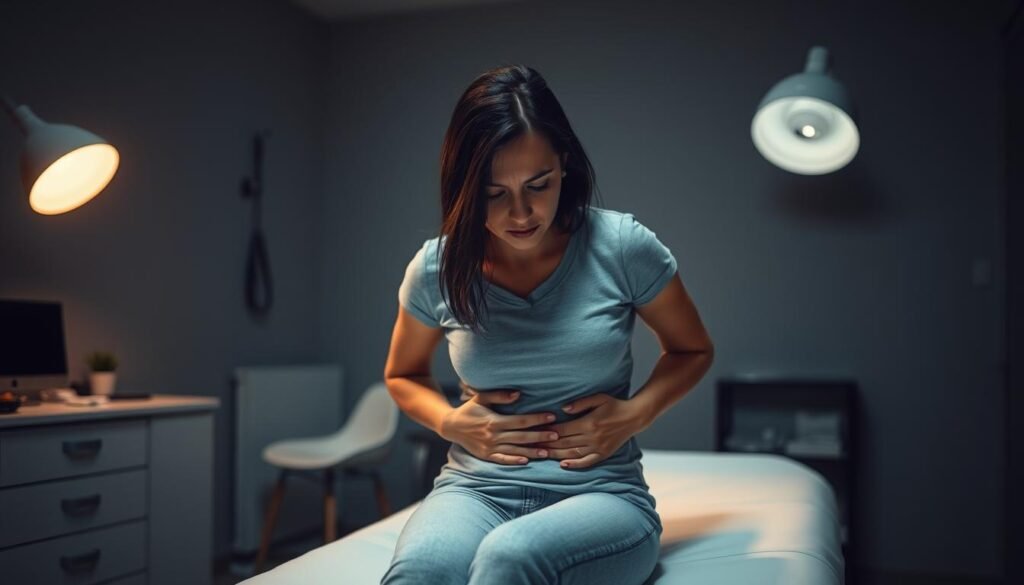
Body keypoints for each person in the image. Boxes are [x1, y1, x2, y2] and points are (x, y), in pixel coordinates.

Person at [381, 64, 714, 585]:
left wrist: (634, 415)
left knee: (510, 557)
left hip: (601, 493)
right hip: (476, 490)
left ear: (564, 164)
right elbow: (402, 375)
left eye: (538, 185)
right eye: (494, 193)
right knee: (421, 572)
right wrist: (450, 422)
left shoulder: (622, 246)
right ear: (465, 188)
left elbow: (692, 350)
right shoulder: (436, 268)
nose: (521, 213)